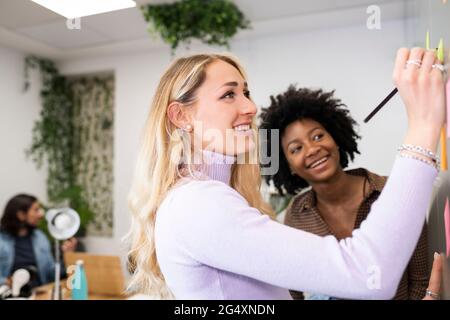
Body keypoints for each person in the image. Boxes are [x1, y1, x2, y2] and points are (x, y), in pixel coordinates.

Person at [126, 48, 445, 299]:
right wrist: (423, 125)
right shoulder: (197, 204)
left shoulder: (208, 197)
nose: (250, 108)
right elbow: (368, 274)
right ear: (180, 115)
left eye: (246, 92)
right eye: (229, 94)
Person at [259, 86, 429, 300]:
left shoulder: (392, 193)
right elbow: (295, 291)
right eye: (296, 148)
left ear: (336, 137)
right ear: (288, 165)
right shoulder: (296, 215)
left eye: (318, 136)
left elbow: (421, 279)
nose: (312, 149)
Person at [0, 194, 77, 288]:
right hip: (11, 294)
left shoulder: (40, 237)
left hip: (39, 292)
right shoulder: (2, 241)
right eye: (36, 210)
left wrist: (67, 256)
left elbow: (51, 275)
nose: (41, 214)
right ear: (21, 215)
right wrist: (8, 282)